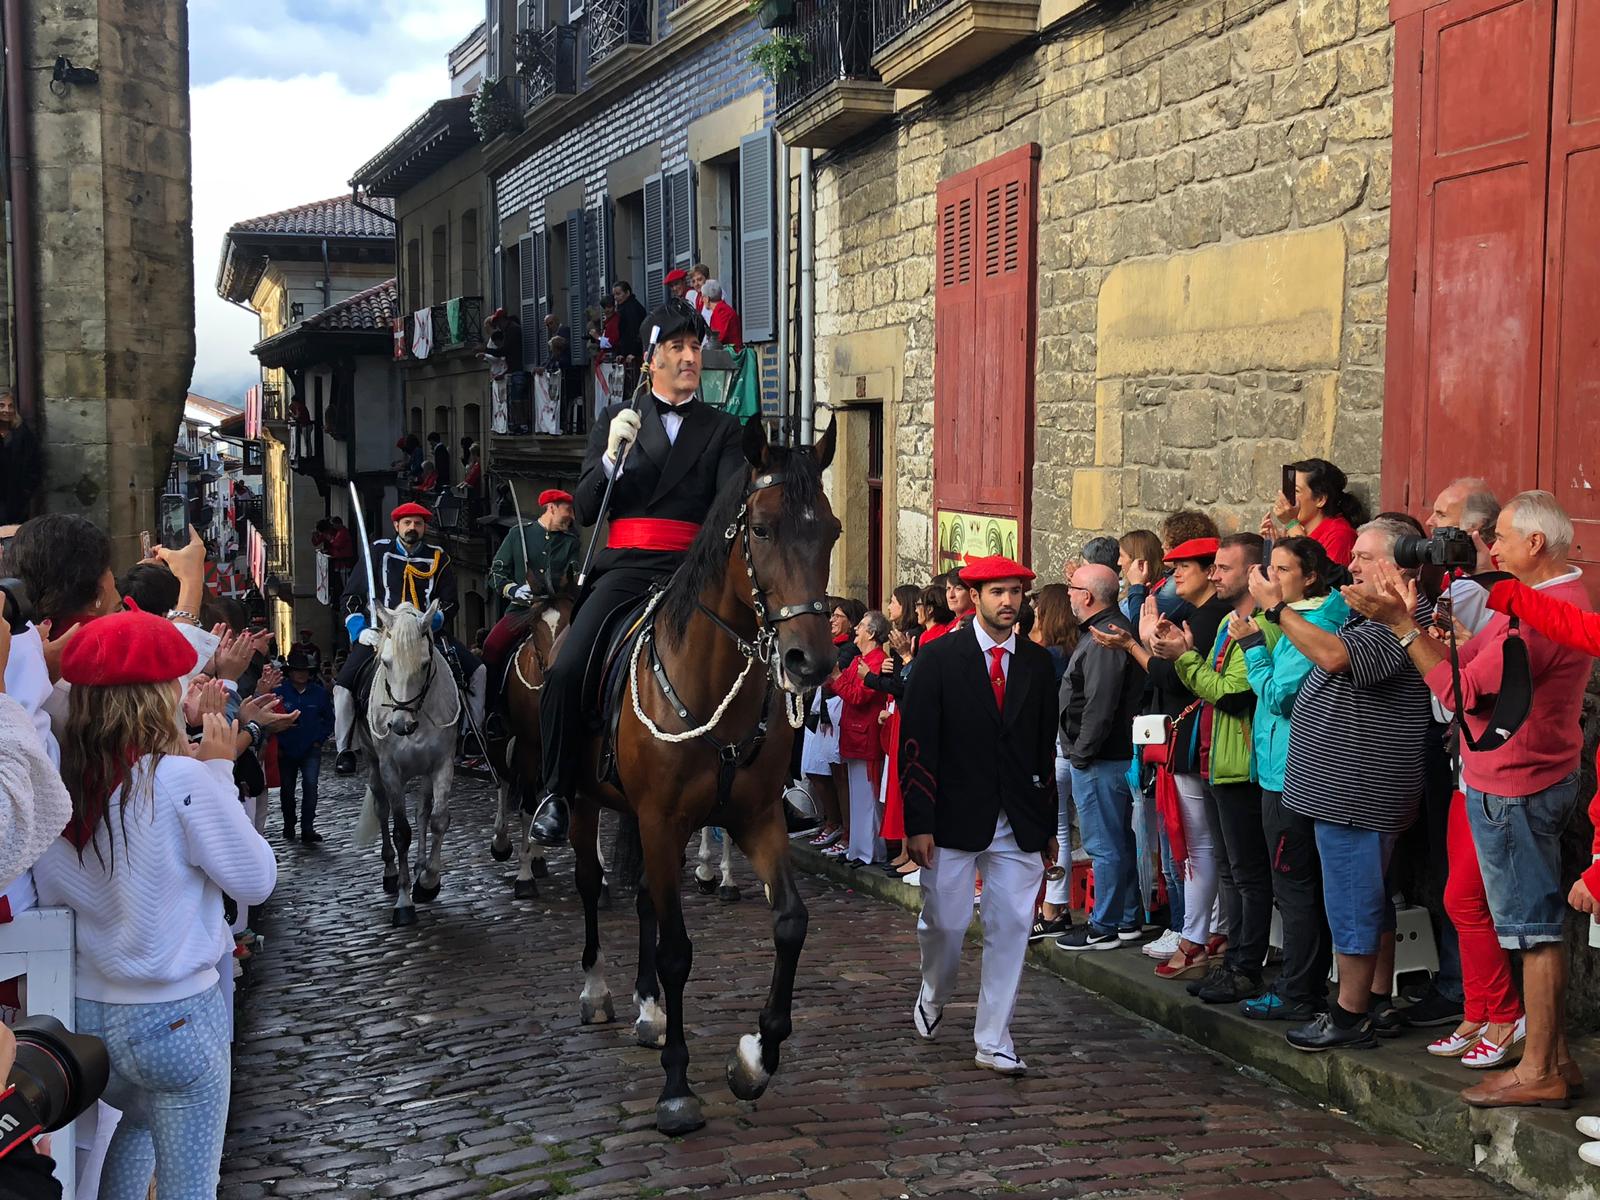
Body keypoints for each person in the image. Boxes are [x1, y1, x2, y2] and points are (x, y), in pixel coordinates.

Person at [1348, 491, 1590, 1105]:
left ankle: (1539, 1070)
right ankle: (1555, 1060)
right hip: (1519, 776)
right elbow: (1473, 657)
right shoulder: (1541, 597)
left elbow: (1461, 692)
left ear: (1535, 543)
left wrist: (1402, 628)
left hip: (1517, 782)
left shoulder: (1546, 610)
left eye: (1500, 537)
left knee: (1532, 932)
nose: (1491, 548)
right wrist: (1434, 634)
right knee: (1527, 925)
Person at [32, 610, 277, 1200]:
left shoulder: (57, 786)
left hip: (90, 1019)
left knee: (138, 1126)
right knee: (190, 1186)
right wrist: (218, 771)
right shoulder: (176, 780)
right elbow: (256, 879)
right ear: (158, 697)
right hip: (176, 1019)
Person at [528, 299, 744, 845]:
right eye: (677, 347)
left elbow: (729, 508)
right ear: (652, 359)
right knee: (565, 668)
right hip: (626, 568)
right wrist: (609, 459)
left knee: (765, 653)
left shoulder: (722, 427)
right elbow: (584, 506)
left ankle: (777, 786)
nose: (690, 357)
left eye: (695, 347)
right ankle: (556, 791)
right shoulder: (615, 420)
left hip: (693, 571)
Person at [1258, 518, 1433, 1052]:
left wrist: (1277, 610)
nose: (1350, 565)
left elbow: (1335, 657)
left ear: (1400, 565)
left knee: (1353, 906)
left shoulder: (1401, 621)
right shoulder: (1371, 615)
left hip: (1357, 792)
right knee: (1365, 900)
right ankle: (1372, 1001)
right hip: (1344, 791)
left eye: (1364, 556)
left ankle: (1348, 1015)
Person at [900, 555, 1058, 1073]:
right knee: (946, 926)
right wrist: (918, 823)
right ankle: (934, 990)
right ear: (975, 597)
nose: (1008, 601)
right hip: (951, 816)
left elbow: (1043, 749)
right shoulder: (938, 658)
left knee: (1011, 925)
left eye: (1015, 592)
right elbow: (916, 744)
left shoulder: (1037, 663)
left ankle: (994, 1039)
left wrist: (1048, 825)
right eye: (997, 592)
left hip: (1019, 819)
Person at [1096, 536, 1230, 982]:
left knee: (1197, 846)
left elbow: (1175, 679)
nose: (1175, 575)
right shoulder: (1195, 613)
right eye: (1172, 567)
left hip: (1194, 742)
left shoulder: (1209, 618)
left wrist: (1136, 646)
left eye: (1184, 567)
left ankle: (1197, 935)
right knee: (1198, 846)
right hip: (1189, 740)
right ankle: (1210, 931)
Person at [1236, 537, 1345, 1022]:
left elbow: (1280, 696)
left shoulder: (1315, 623)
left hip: (1291, 775)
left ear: (1310, 577)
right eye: (1271, 567)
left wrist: (1252, 648)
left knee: (1295, 886)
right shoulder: (1303, 616)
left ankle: (1299, 990)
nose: (1271, 578)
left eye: (1283, 570)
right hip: (1283, 766)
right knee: (1300, 885)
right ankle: (1304, 985)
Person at [1161, 534, 1275, 1002]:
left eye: (1224, 568)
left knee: (1248, 873)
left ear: (1252, 573)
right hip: (1216, 757)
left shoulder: (1261, 627)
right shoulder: (1230, 622)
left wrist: (1184, 658)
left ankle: (1246, 966)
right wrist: (1186, 656)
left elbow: (1229, 693)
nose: (1214, 575)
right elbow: (1208, 683)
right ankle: (1231, 958)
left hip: (1242, 762)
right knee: (1229, 869)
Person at [333, 502, 485, 775]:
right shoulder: (377, 552)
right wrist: (359, 631)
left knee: (477, 672)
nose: (412, 528)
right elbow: (351, 597)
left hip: (426, 633)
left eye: (418, 523)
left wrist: (430, 622)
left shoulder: (439, 557)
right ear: (396, 526)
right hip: (384, 634)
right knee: (344, 686)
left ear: (424, 527)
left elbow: (450, 603)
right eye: (407, 523)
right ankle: (345, 748)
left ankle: (470, 733)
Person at [1056, 564, 1145, 951]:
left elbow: (1100, 704)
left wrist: (1081, 753)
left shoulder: (1105, 635)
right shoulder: (1103, 631)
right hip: (1103, 756)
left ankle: (1105, 924)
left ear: (1088, 596)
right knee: (1116, 841)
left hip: (1101, 759)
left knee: (1104, 845)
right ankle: (1125, 918)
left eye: (1072, 588)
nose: (1069, 595)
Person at [481, 488, 580, 716]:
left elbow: (573, 574)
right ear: (551, 507)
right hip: (523, 610)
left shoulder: (571, 543)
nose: (572, 517)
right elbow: (496, 574)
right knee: (492, 648)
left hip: (558, 611)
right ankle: (491, 711)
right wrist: (514, 590)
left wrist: (574, 579)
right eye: (568, 510)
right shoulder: (518, 535)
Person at [828, 611, 891, 867]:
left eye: (862, 626)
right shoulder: (860, 659)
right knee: (858, 798)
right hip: (854, 734)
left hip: (866, 736)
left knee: (868, 800)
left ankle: (870, 851)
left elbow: (858, 696)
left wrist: (836, 677)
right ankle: (858, 848)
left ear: (872, 633)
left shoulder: (877, 661)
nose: (856, 629)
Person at [273, 649, 334, 844]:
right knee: (287, 790)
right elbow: (271, 720)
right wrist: (278, 744)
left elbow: (329, 719)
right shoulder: (279, 693)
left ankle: (308, 827)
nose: (301, 674)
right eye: (297, 670)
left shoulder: (319, 693)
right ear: (290, 672)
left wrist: (319, 740)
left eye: (305, 671)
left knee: (311, 787)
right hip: (286, 749)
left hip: (310, 749)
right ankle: (289, 824)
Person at [1262, 458, 1366, 567]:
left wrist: (1291, 523)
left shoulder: (1339, 535)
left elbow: (1318, 573)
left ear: (1320, 499)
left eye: (1296, 491)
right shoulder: (1297, 532)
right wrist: (1277, 545)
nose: (1287, 499)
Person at [0, 389, 42, 525]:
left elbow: (34, 465)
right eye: (1, 405)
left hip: (15, 500)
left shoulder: (22, 434)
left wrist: (25, 492)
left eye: (11, 406)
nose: (7, 410)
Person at [701, 279, 743, 351]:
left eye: (703, 297)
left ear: (707, 298)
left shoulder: (722, 311)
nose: (702, 300)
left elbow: (717, 338)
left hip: (730, 354)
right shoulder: (721, 309)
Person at [612, 280, 648, 362]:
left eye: (618, 294)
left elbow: (636, 331)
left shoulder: (632, 308)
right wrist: (621, 353)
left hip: (634, 354)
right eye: (614, 295)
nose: (615, 297)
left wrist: (633, 352)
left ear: (627, 293)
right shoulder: (623, 308)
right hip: (627, 353)